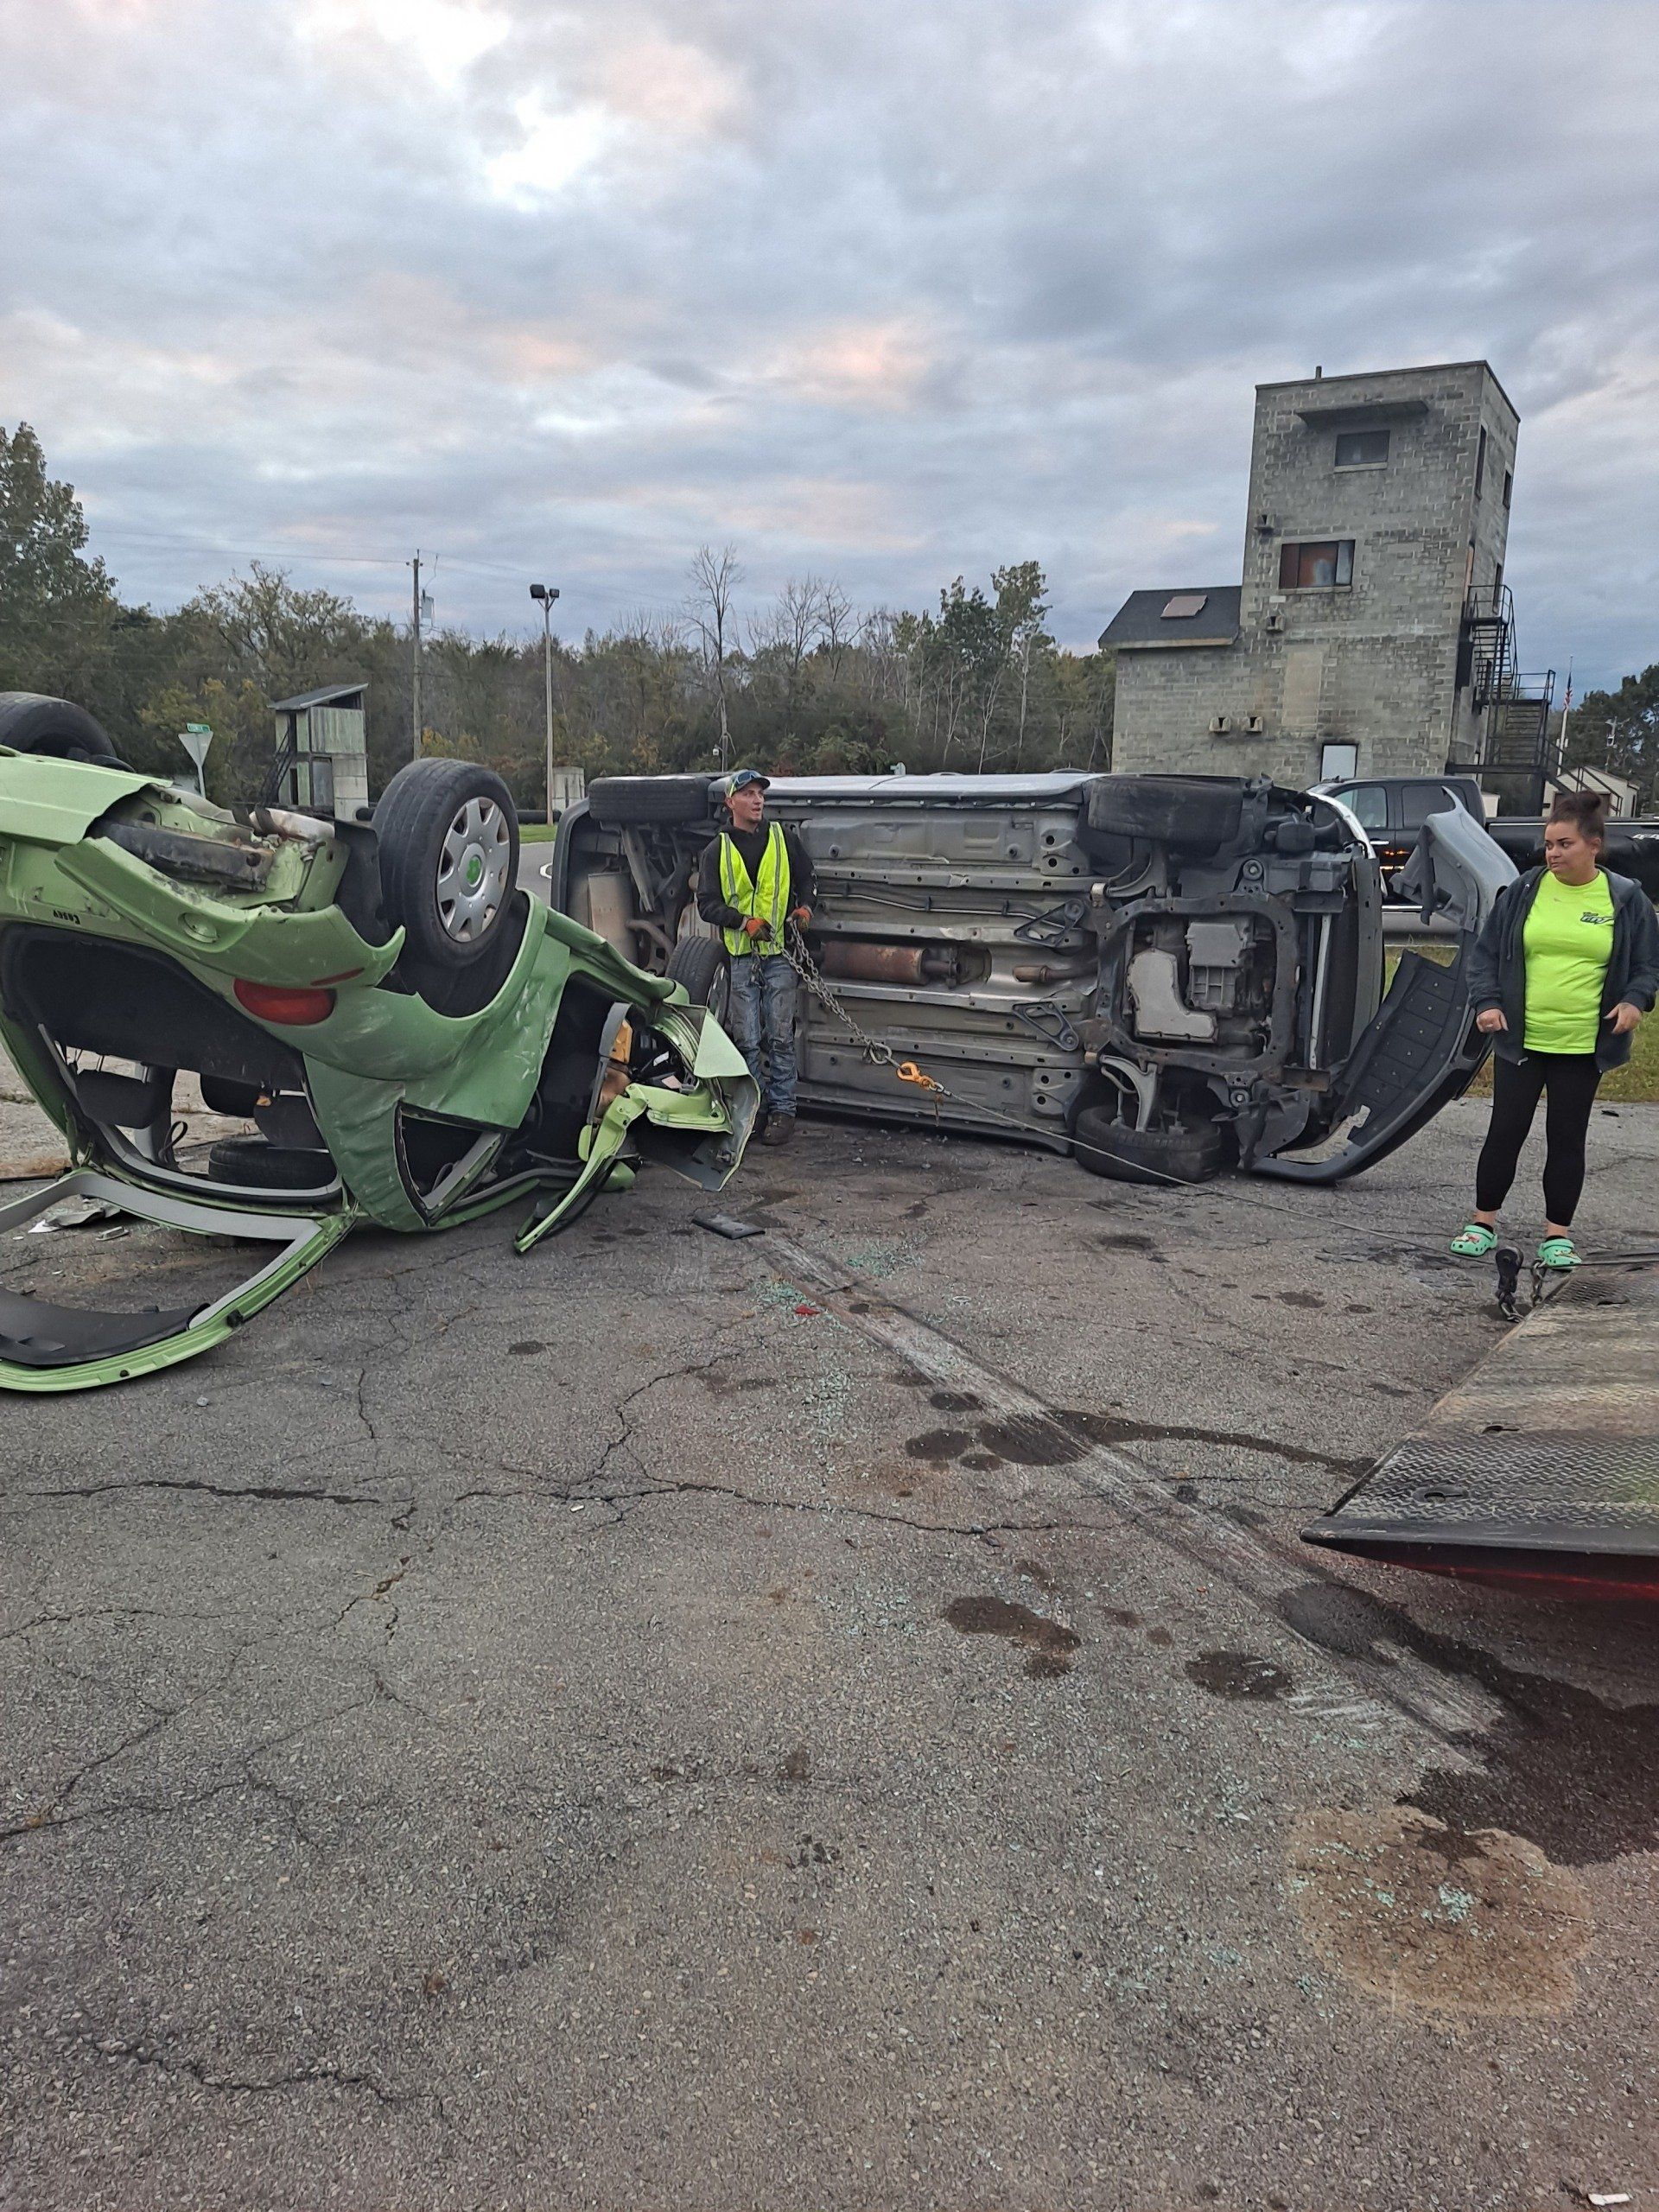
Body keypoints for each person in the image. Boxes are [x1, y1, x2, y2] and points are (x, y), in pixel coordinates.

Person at [1450, 790, 1658, 1270]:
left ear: (1594, 846)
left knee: (1567, 1137)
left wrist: (1634, 1001)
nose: (1553, 854)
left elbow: (1648, 966)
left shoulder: (1625, 899)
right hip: (1521, 1040)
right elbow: (1484, 957)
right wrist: (1486, 1003)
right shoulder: (1525, 891)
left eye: (1564, 844)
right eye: (1549, 845)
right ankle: (1482, 1222)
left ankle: (1557, 1235)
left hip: (1583, 1045)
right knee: (1505, 1131)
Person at [696, 769, 816, 1146]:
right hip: (742, 958)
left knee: (780, 1035)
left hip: (779, 954)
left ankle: (783, 1111)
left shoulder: (783, 840)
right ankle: (756, 1107)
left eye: (760, 793)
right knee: (747, 1038)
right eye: (747, 794)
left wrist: (806, 909)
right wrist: (743, 922)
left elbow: (807, 878)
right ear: (730, 802)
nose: (757, 800)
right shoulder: (717, 851)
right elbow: (706, 905)